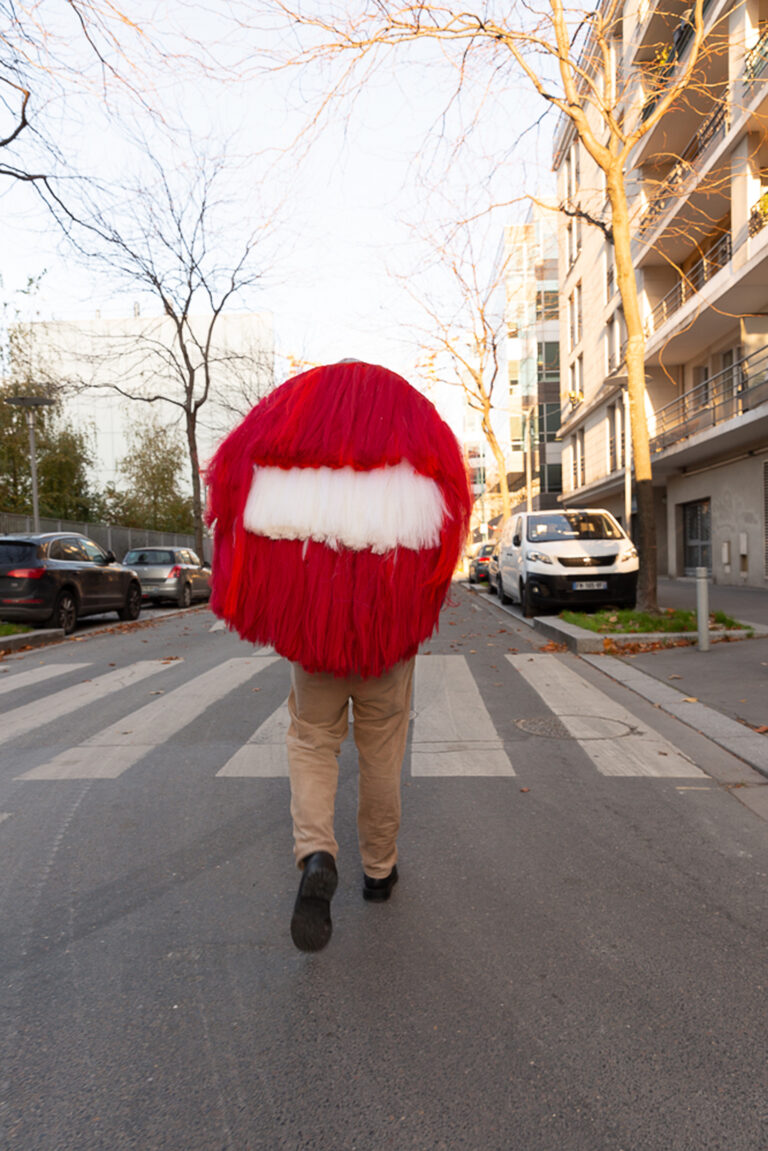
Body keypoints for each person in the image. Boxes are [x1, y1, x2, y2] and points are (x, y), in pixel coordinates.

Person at [205, 359, 471, 951]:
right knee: (382, 752)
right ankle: (379, 870)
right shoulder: (412, 441)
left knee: (311, 741)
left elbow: (240, 498)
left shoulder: (292, 440)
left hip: (314, 640)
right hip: (387, 640)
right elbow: (444, 524)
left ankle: (316, 853)